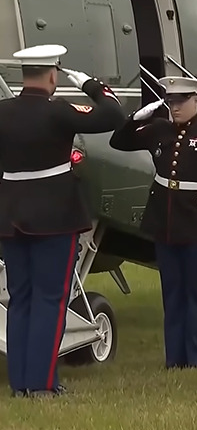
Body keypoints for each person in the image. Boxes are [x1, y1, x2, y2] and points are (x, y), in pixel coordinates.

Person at [0, 44, 125, 397]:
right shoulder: (59, 112)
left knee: (20, 298)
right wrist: (93, 86)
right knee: (50, 300)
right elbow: (114, 116)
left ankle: (21, 382)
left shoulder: (3, 112)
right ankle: (41, 383)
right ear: (53, 75)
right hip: (53, 216)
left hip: (10, 216)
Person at [109, 76, 197, 370]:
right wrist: (133, 119)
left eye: (182, 101)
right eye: (171, 102)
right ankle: (174, 358)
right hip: (164, 220)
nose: (176, 107)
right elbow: (118, 142)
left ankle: (196, 358)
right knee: (172, 292)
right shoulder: (159, 130)